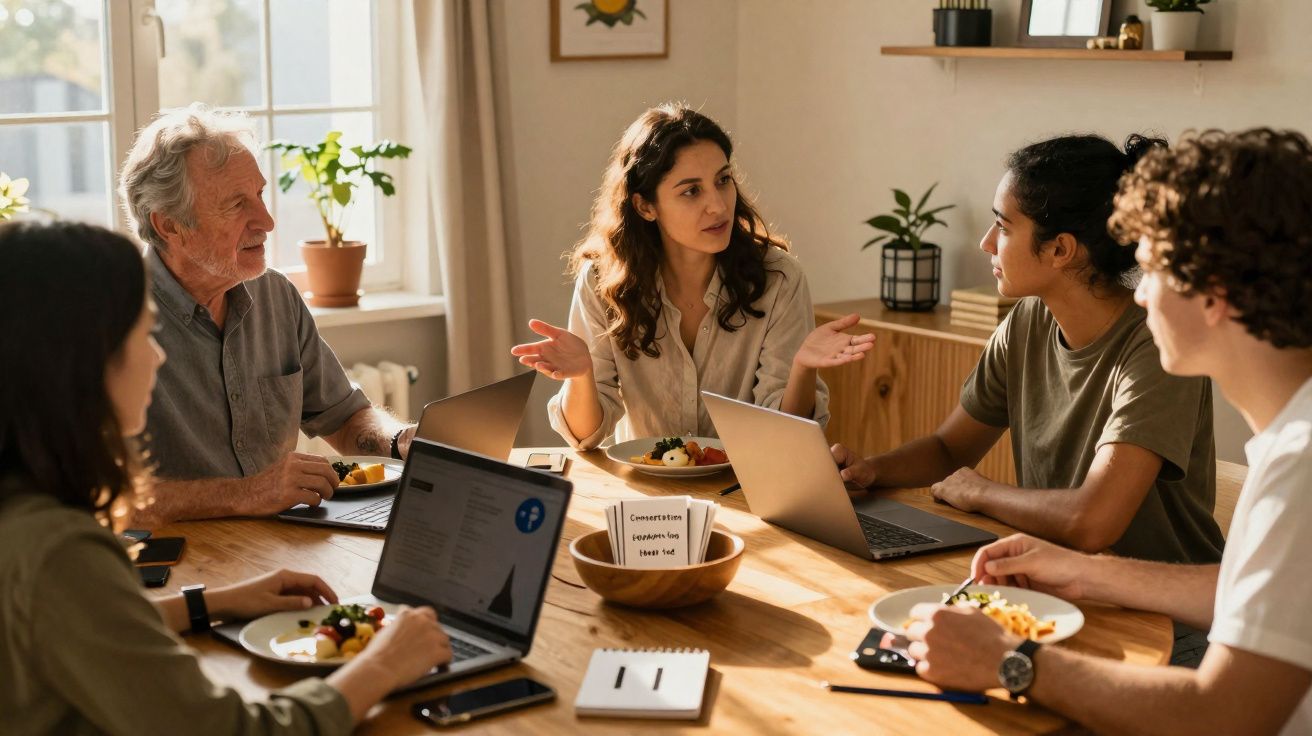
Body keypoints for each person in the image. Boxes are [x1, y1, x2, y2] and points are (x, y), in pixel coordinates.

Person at [901, 128, 1312, 735]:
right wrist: (1084, 570)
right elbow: (1252, 592)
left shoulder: (1301, 467)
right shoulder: (1290, 443)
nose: (1139, 292)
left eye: (1150, 269)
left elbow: (1224, 714)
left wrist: (1011, 662)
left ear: (1215, 295)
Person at [0, 220, 452, 734]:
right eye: (143, 334)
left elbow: (81, 626)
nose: (158, 355)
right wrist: (384, 663)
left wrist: (209, 603)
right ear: (78, 363)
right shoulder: (60, 553)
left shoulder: (23, 519)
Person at [832, 134, 1223, 567]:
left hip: (1170, 618)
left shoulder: (1156, 348)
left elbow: (1093, 522)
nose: (986, 242)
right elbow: (949, 449)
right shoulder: (1027, 322)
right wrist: (870, 471)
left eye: (1002, 226)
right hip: (1060, 585)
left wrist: (982, 492)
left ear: (1060, 249)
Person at [117, 104, 417, 526]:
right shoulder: (110, 320)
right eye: (236, 204)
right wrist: (245, 494)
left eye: (258, 194)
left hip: (281, 549)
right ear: (169, 226)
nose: (267, 221)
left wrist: (402, 442)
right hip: (180, 565)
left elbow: (346, 418)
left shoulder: (275, 294)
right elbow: (99, 499)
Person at [511, 104, 872, 448]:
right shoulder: (601, 281)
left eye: (723, 180)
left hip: (743, 491)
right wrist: (582, 376)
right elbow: (584, 437)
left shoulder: (779, 279)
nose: (717, 205)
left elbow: (787, 440)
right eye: (691, 191)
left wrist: (803, 368)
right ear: (645, 206)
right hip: (644, 499)